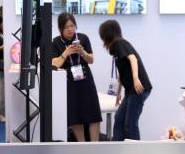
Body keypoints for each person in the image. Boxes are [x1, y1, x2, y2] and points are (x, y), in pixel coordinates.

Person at [51, 12, 102, 141]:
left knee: (93, 113)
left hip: (85, 78)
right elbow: (54, 64)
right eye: (66, 27)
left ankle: (95, 146)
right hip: (69, 81)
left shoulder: (83, 38)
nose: (70, 30)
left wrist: (83, 52)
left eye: (72, 26)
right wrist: (66, 53)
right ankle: (81, 145)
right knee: (75, 115)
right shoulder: (56, 42)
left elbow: (91, 60)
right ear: (60, 29)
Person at [98, 19, 151, 141]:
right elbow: (122, 74)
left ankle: (135, 152)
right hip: (130, 91)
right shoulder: (116, 49)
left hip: (138, 89)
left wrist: (136, 78)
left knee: (130, 125)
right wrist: (118, 93)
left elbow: (133, 58)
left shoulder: (119, 43)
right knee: (119, 119)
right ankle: (117, 148)